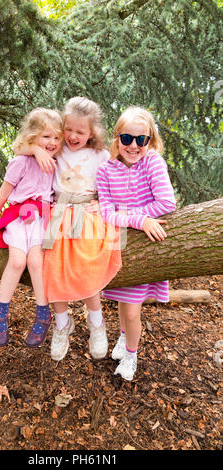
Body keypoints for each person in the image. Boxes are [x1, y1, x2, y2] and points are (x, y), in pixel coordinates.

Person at [15, 97, 122, 362]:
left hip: (87, 216)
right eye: (69, 130)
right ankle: (62, 324)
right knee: (51, 270)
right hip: (57, 215)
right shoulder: (56, 149)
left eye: (80, 131)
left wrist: (103, 203)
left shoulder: (101, 155)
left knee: (87, 267)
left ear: (92, 132)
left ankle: (96, 323)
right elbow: (20, 145)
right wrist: (36, 150)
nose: (73, 136)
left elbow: (116, 185)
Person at [96, 105, 176, 381]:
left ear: (150, 141)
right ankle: (122, 338)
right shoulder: (105, 170)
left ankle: (131, 354)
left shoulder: (153, 162)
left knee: (131, 310)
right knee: (120, 300)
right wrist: (139, 220)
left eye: (140, 140)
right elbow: (106, 213)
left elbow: (167, 202)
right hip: (119, 244)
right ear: (117, 138)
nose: (133, 145)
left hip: (143, 249)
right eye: (126, 138)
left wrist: (131, 218)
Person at [0, 108, 63, 348]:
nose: (52, 143)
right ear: (33, 137)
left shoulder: (58, 161)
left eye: (56, 137)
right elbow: (3, 193)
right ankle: (1, 312)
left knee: (36, 262)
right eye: (46, 137)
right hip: (19, 217)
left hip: (43, 217)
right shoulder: (20, 162)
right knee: (16, 262)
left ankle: (43, 314)